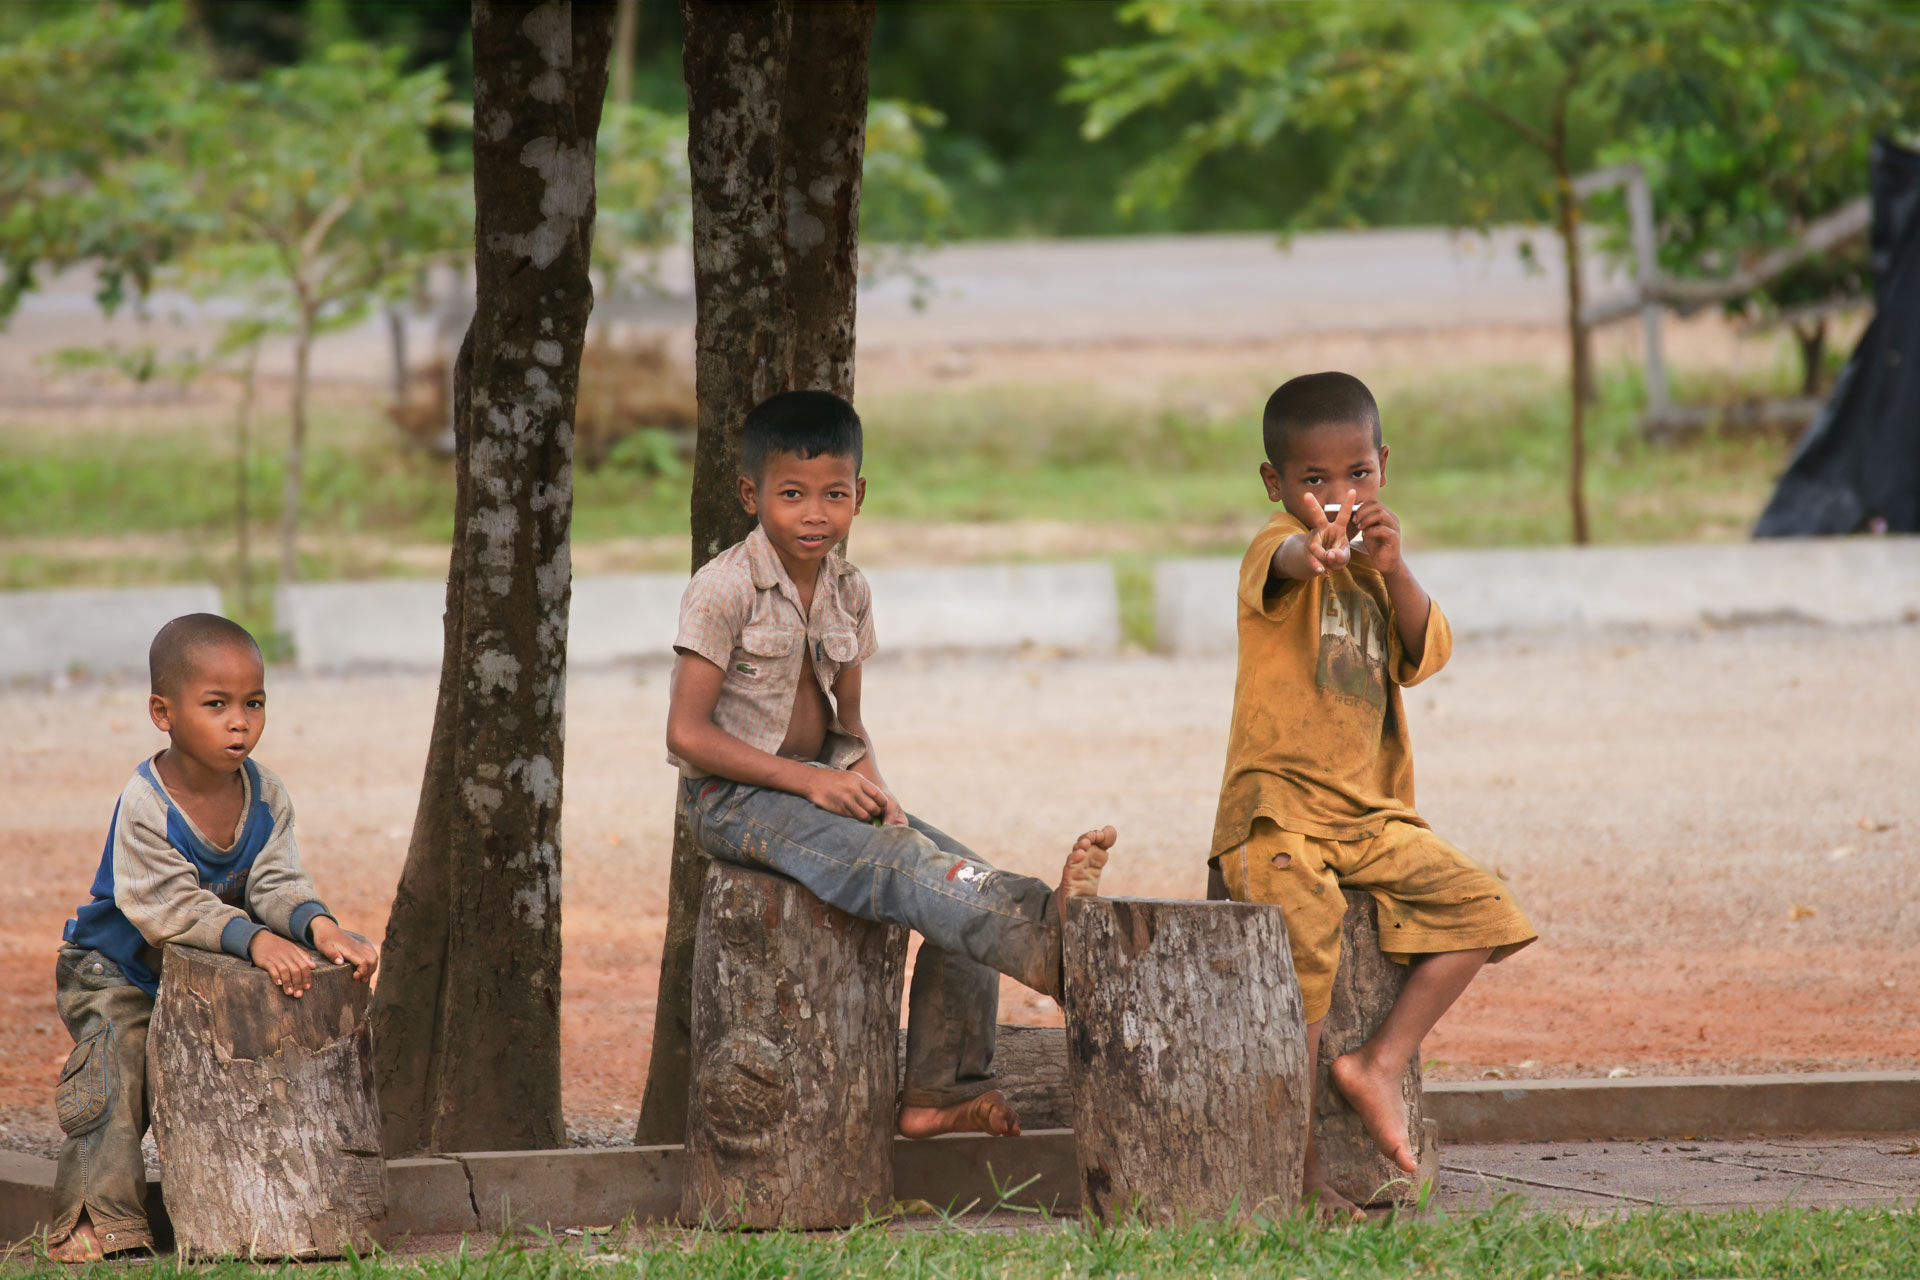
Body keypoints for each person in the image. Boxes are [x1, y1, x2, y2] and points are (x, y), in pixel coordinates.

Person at [667, 389, 1116, 1141]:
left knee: (952, 871)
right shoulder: (723, 589)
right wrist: (811, 781)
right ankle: (1047, 944)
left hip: (823, 788)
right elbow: (686, 734)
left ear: (860, 495)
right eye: (792, 494)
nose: (815, 514)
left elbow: (849, 726)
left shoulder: (849, 591)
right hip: (732, 802)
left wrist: (879, 794)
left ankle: (941, 1089)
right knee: (899, 869)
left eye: (834, 495)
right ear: (751, 495)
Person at [1212, 372, 1536, 1217]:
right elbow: (1285, 564)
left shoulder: (1378, 572)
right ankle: (1299, 1177)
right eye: (1314, 479)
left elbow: (1427, 653)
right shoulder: (1274, 546)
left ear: (1383, 466)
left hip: (1372, 817)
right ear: (1276, 483)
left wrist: (1393, 570)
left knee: (1486, 910)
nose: (1339, 498)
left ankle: (1377, 1064)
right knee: (1302, 962)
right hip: (1278, 815)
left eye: (1357, 473)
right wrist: (1310, 550)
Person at [47, 615, 379, 1262]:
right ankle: (96, 1221)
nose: (239, 723)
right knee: (116, 1077)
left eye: (254, 704)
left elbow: (277, 880)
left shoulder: (265, 793)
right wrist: (255, 941)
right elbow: (169, 906)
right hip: (118, 970)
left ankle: (246, 1208)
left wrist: (321, 926)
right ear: (162, 713)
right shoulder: (146, 803)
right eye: (216, 704)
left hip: (203, 974)